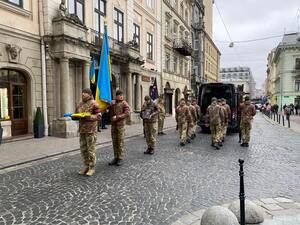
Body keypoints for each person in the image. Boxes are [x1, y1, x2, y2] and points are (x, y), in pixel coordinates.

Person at [76, 88, 102, 176]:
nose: (83, 94)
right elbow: (76, 113)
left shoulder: (94, 104)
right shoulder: (80, 104)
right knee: (83, 149)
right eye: (82, 92)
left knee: (91, 149)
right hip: (82, 130)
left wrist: (88, 117)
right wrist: (74, 116)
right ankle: (86, 165)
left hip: (91, 130)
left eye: (85, 93)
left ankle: (92, 167)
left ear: (90, 94)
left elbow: (98, 116)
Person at [108, 90, 130, 166]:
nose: (121, 96)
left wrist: (117, 117)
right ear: (116, 96)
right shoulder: (113, 103)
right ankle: (115, 157)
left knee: (120, 142)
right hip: (113, 125)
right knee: (114, 142)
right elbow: (109, 111)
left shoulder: (124, 103)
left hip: (120, 125)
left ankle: (120, 158)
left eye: (122, 95)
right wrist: (110, 105)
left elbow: (127, 113)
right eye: (119, 95)